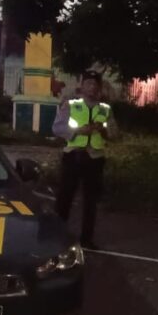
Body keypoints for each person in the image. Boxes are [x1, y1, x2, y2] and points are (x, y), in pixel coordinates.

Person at [51, 70, 113, 249]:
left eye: (95, 84)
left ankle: (87, 239)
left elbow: (115, 133)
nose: (92, 87)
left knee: (91, 201)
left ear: (99, 88)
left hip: (95, 158)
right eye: (88, 83)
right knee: (65, 198)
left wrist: (104, 130)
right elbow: (57, 128)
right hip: (73, 155)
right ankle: (57, 236)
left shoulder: (105, 109)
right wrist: (78, 131)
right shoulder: (70, 105)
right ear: (82, 85)